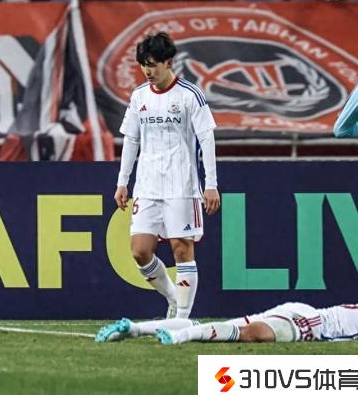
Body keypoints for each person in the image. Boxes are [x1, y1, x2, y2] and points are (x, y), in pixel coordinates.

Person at [115, 32, 220, 319]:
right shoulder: (139, 96)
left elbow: (207, 139)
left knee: (182, 250)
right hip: (147, 185)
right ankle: (174, 298)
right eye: (143, 65)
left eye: (153, 65)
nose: (147, 71)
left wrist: (211, 184)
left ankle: (182, 320)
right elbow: (131, 140)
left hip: (181, 185)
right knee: (140, 251)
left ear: (169, 62)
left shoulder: (189, 95)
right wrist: (122, 181)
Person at [95, 302, 358, 344]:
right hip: (315, 323)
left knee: (221, 326)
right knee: (254, 334)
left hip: (303, 310)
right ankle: (179, 337)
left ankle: (136, 328)